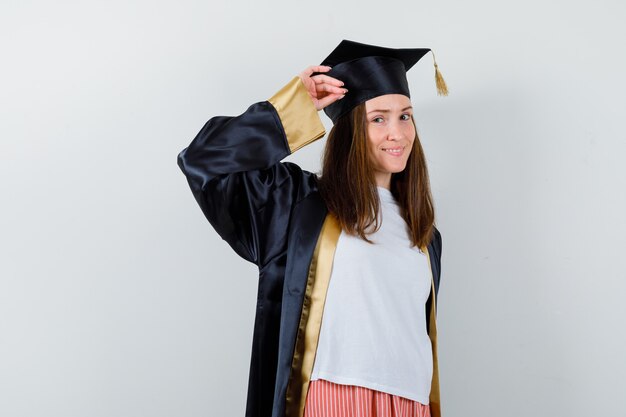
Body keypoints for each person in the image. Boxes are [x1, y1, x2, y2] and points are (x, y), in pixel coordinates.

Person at [178, 40, 447, 417]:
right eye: (378, 118)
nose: (397, 134)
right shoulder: (299, 206)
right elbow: (203, 160)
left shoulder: (425, 235)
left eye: (405, 115)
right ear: (351, 130)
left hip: (409, 403)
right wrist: (292, 107)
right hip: (331, 396)